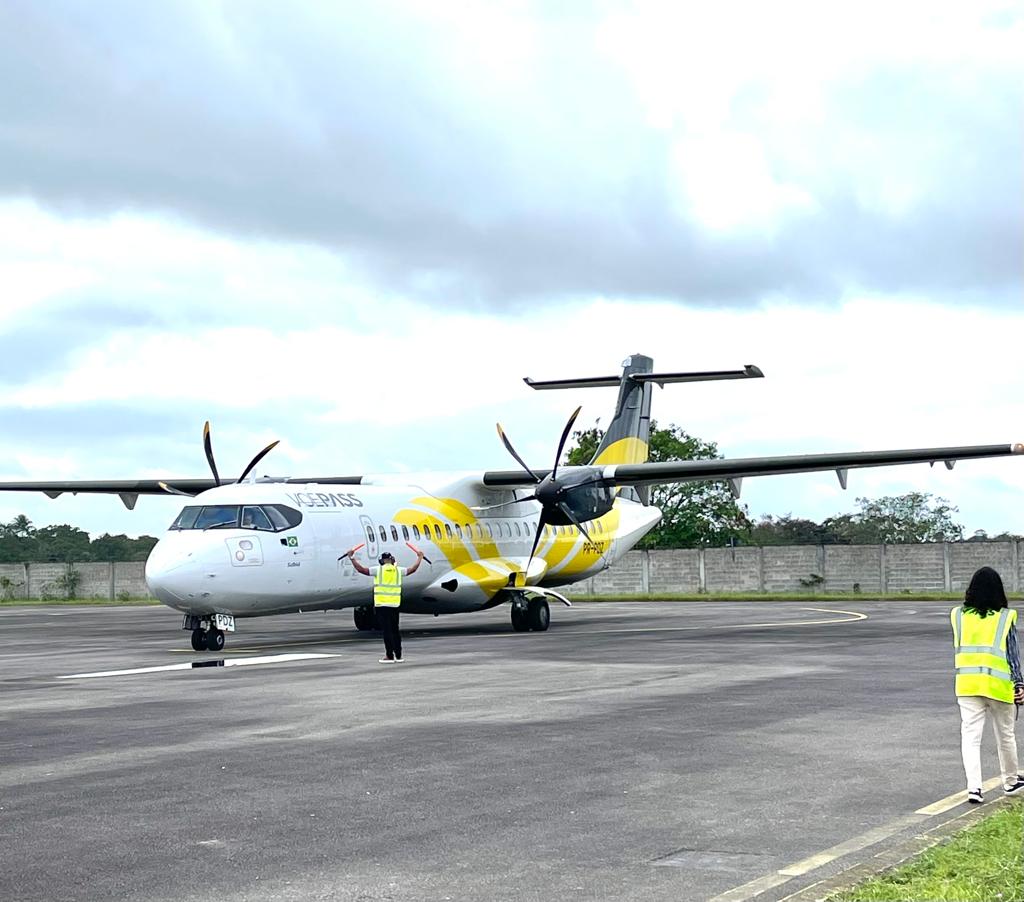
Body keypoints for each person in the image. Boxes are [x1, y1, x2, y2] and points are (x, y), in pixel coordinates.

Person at [951, 566, 1024, 803]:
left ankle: (974, 789)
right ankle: (1011, 782)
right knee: (1005, 735)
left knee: (970, 737)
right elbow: (1012, 654)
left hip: (967, 685)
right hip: (999, 687)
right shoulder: (1005, 617)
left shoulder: (958, 616)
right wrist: (1019, 684)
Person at [347, 546, 424, 663]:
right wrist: (420, 557)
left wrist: (352, 558)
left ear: (381, 561)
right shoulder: (398, 570)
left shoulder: (378, 570)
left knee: (387, 631)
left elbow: (361, 570)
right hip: (394, 605)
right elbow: (412, 569)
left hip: (382, 605)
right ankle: (398, 655)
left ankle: (389, 655)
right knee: (395, 630)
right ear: (392, 560)